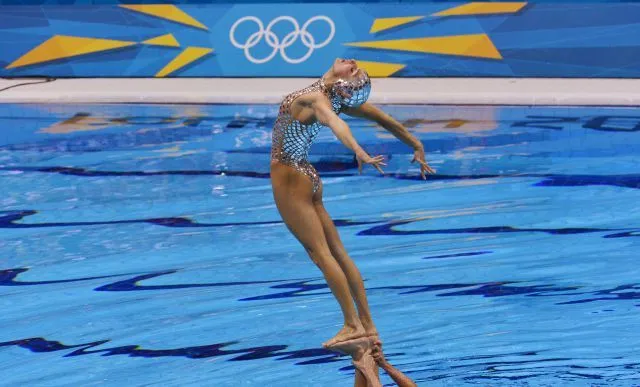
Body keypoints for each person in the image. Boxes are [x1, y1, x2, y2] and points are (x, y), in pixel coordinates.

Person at [270, 58, 435, 351]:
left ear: (340, 83)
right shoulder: (333, 99)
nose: (352, 63)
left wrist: (359, 150)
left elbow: (337, 125)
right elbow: (384, 120)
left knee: (321, 255)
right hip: (308, 176)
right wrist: (416, 144)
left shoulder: (316, 99)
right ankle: (368, 325)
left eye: (354, 71)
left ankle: (351, 324)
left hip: (290, 179)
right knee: (338, 253)